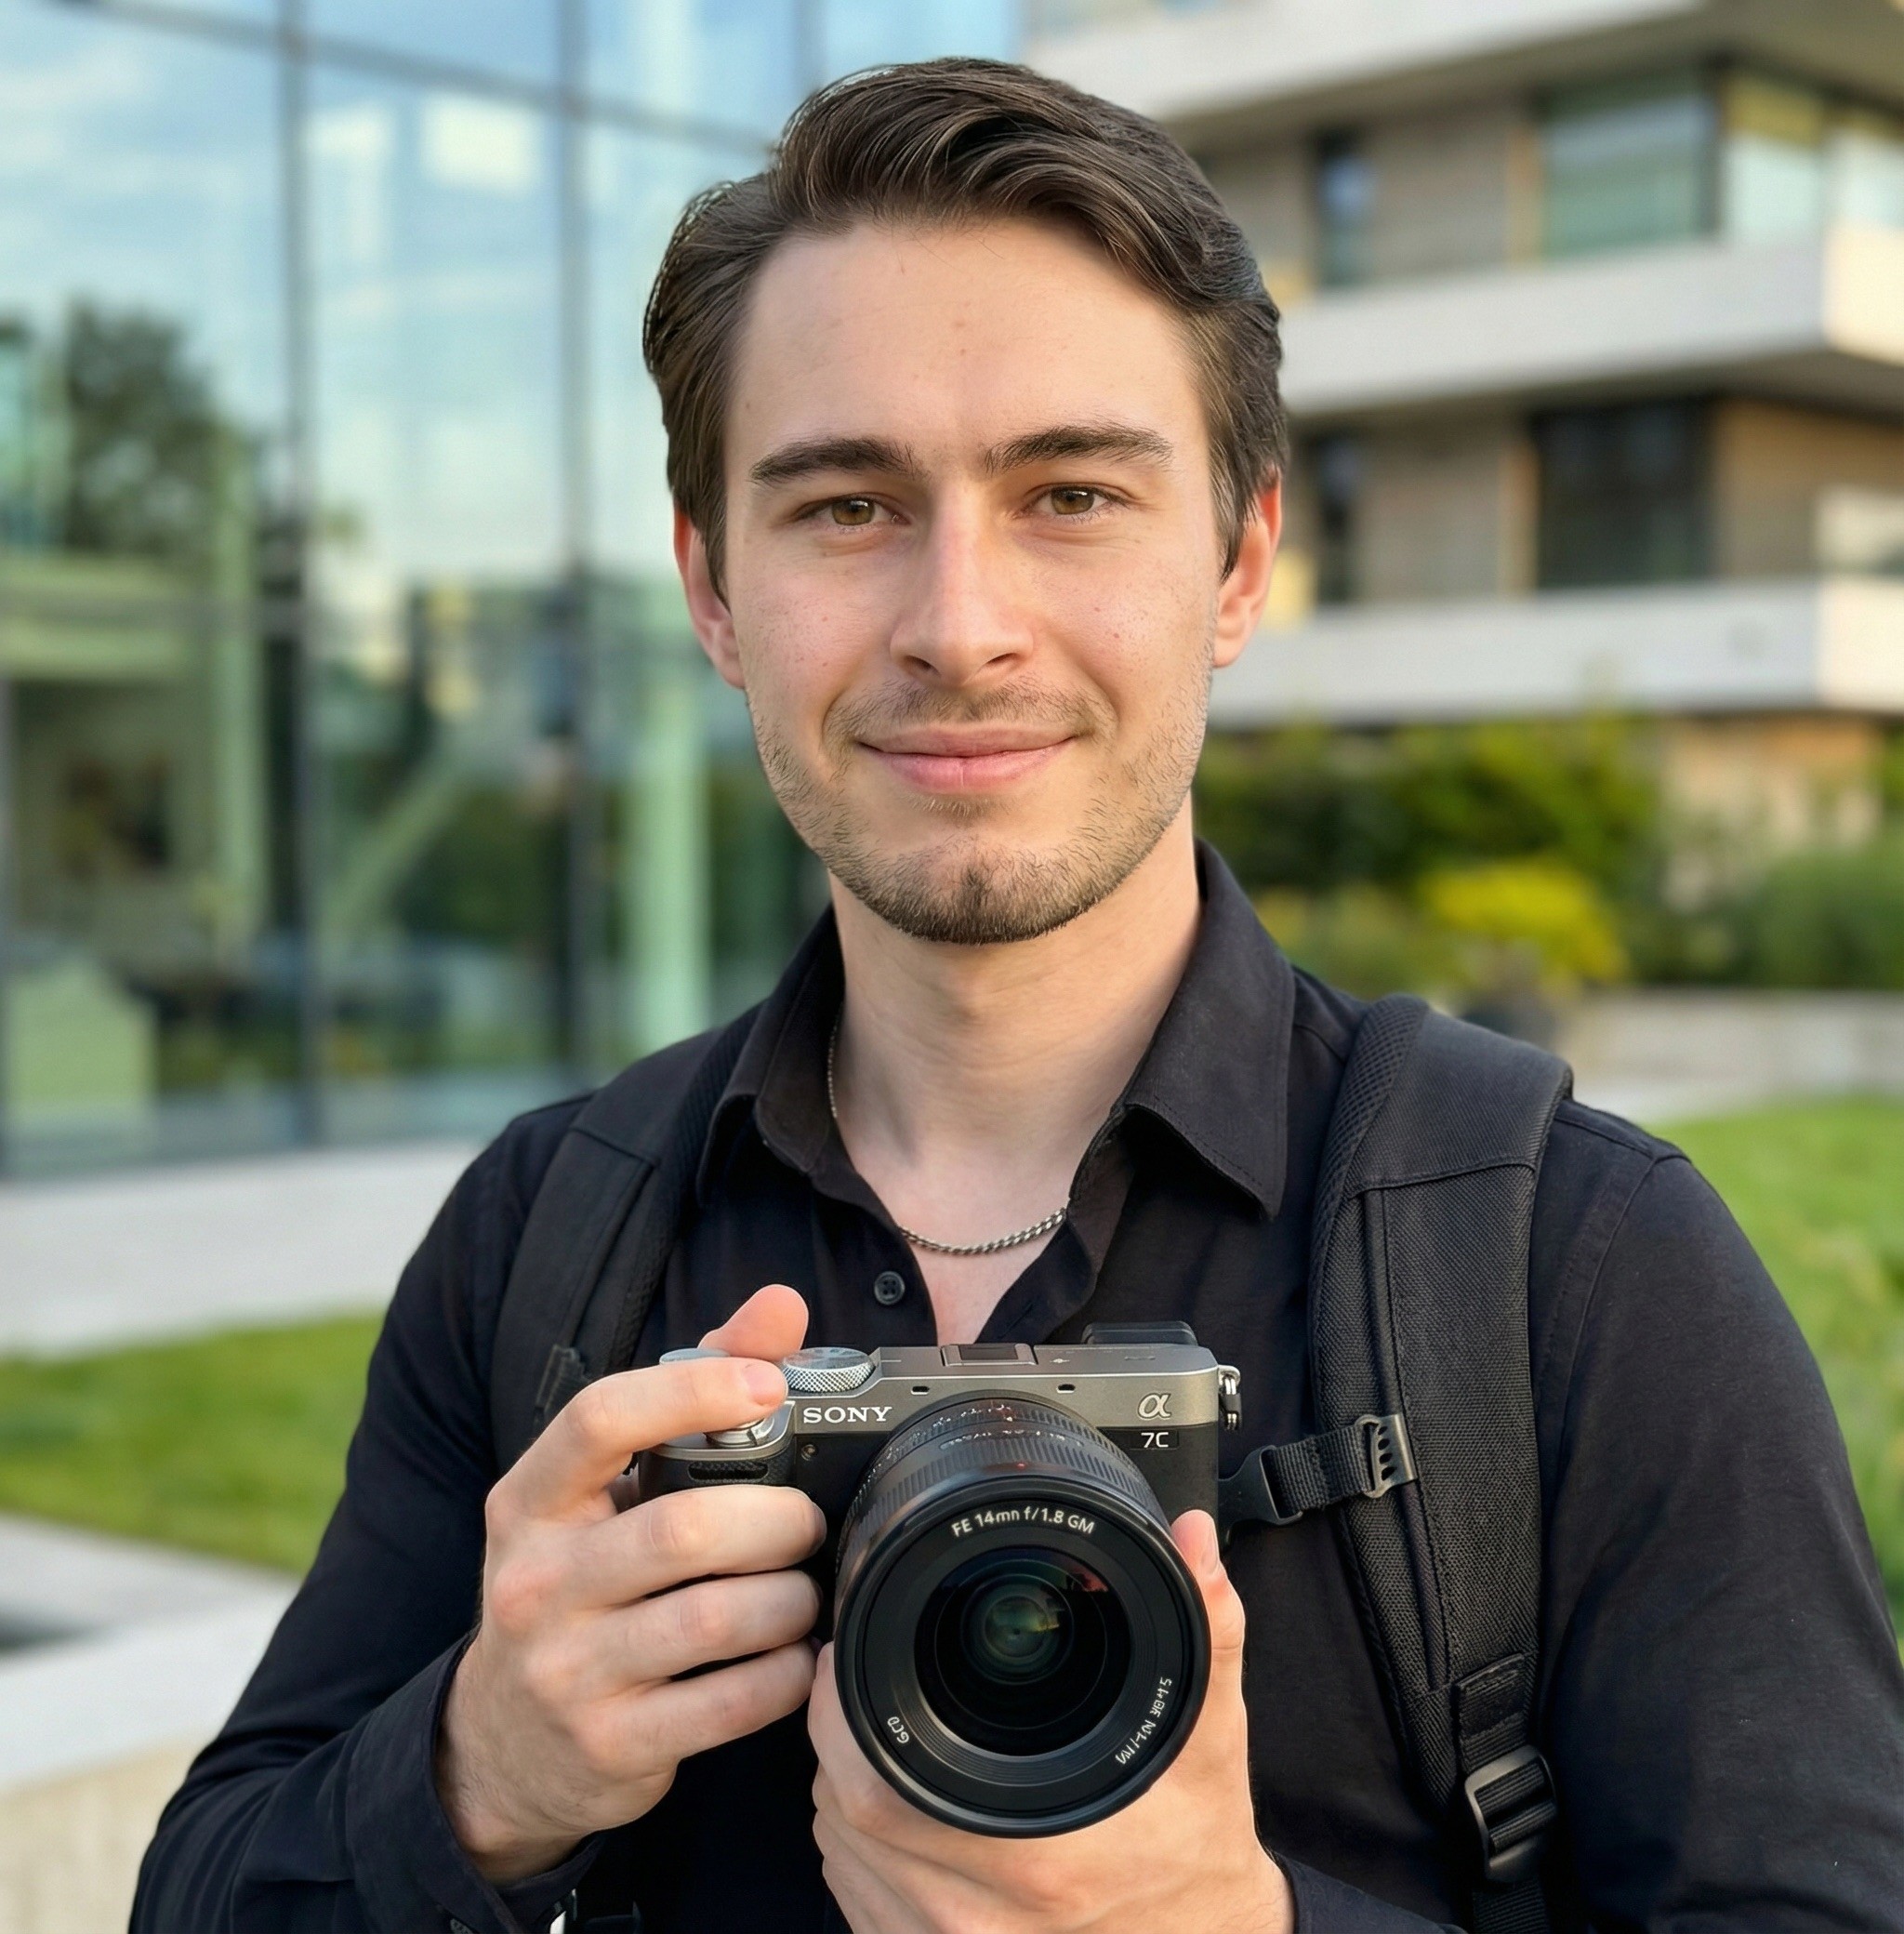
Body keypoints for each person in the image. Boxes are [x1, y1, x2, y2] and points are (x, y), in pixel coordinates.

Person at [135, 58, 1904, 1934]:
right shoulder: (544, 1238)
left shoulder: (1572, 1260)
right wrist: (482, 1768)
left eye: (1070, 493)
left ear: (1236, 564)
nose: (958, 625)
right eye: (845, 505)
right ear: (713, 590)